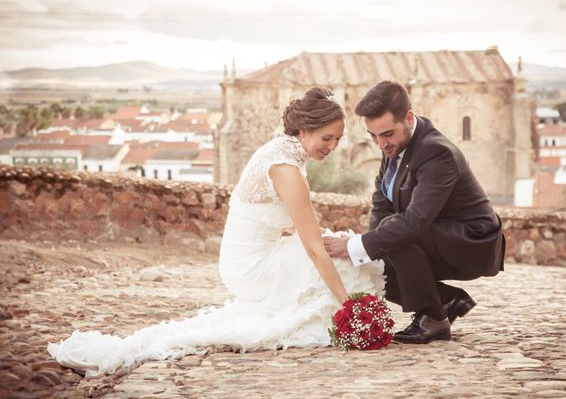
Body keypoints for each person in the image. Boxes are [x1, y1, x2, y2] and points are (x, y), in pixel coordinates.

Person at [48, 87, 384, 377]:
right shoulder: (286, 168)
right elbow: (313, 248)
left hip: (243, 260)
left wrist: (317, 240)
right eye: (327, 138)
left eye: (338, 139)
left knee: (338, 246)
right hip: (253, 269)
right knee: (344, 261)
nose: (333, 146)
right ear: (305, 130)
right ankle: (338, 318)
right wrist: (348, 307)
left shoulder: (277, 152)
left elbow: (284, 221)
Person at [324, 81, 505, 344]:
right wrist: (372, 251)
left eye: (386, 134)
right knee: (374, 265)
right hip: (435, 234)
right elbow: (381, 204)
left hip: (471, 242)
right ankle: (445, 300)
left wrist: (355, 245)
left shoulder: (435, 151)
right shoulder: (395, 144)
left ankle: (434, 319)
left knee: (393, 235)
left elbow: (414, 222)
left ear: (408, 118)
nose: (380, 143)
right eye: (373, 135)